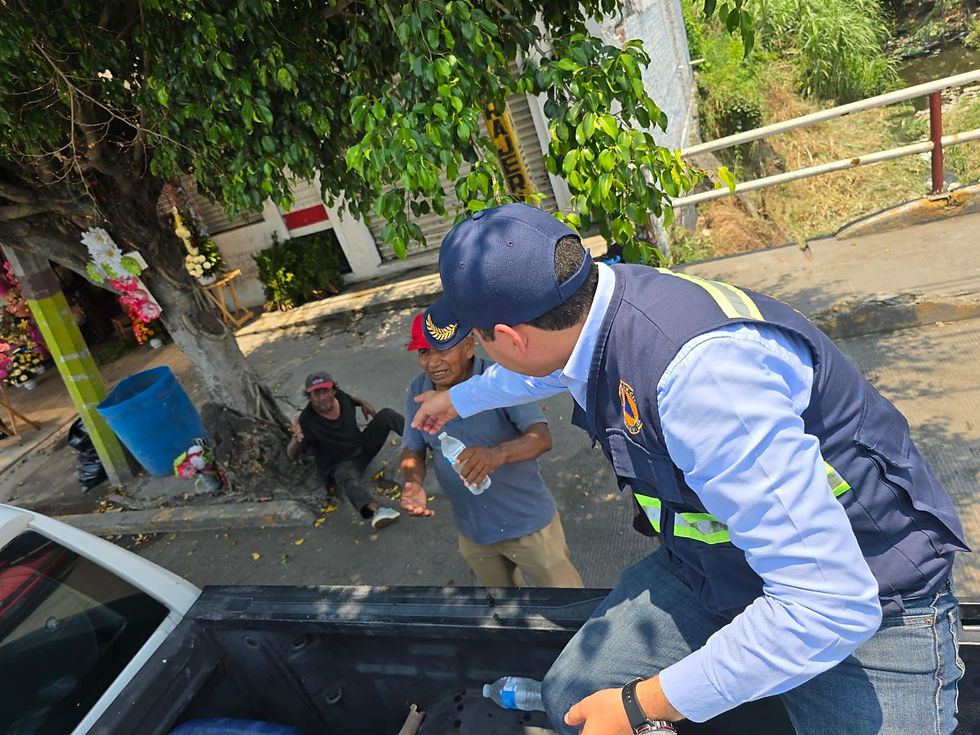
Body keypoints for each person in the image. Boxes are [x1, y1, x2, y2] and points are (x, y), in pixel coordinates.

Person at [411, 203, 967, 734]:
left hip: (871, 598)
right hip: (717, 568)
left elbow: (829, 606)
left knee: (607, 711)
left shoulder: (703, 381)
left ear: (511, 338)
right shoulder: (599, 305)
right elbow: (543, 369)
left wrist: (639, 705)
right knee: (572, 699)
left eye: (477, 339)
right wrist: (456, 401)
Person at [399, 313, 583, 588]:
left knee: (567, 601)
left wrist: (496, 455)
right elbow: (413, 448)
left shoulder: (499, 380)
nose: (433, 362)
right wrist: (412, 482)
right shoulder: (418, 388)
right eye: (424, 352)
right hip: (474, 532)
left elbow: (541, 437)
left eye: (442, 350)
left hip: (529, 525)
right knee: (501, 606)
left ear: (468, 346)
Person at [287, 371, 401, 531]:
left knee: (386, 415)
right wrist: (296, 438)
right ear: (309, 397)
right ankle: (378, 511)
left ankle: (427, 440)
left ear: (333, 390)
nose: (322, 397)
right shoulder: (307, 420)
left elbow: (350, 398)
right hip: (342, 464)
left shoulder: (341, 397)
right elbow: (291, 454)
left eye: (326, 391)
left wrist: (362, 402)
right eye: (316, 394)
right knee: (346, 479)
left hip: (361, 447)